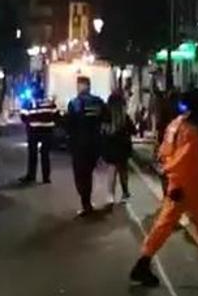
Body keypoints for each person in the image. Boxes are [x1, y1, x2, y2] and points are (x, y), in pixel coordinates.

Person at [129, 89, 198, 291]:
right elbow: (182, 161)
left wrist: (170, 179)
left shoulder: (175, 125)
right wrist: (177, 184)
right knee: (173, 227)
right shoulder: (190, 131)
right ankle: (143, 263)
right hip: (187, 186)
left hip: (186, 186)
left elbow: (165, 154)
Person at [66, 76, 106, 216]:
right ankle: (87, 202)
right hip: (95, 144)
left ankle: (86, 203)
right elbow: (105, 119)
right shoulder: (98, 102)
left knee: (80, 175)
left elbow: (69, 125)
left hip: (79, 145)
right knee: (88, 173)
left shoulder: (75, 103)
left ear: (81, 86)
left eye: (78, 85)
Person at [102, 91, 136, 203]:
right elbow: (133, 130)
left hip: (110, 146)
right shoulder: (124, 117)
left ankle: (110, 195)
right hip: (123, 146)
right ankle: (125, 192)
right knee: (123, 170)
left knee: (111, 170)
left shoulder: (106, 115)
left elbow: (102, 130)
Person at [19, 87, 58, 185]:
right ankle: (46, 178)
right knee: (45, 154)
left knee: (33, 154)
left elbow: (23, 116)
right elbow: (56, 114)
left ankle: (31, 176)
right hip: (47, 131)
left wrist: (30, 123)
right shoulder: (49, 103)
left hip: (33, 131)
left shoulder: (29, 103)